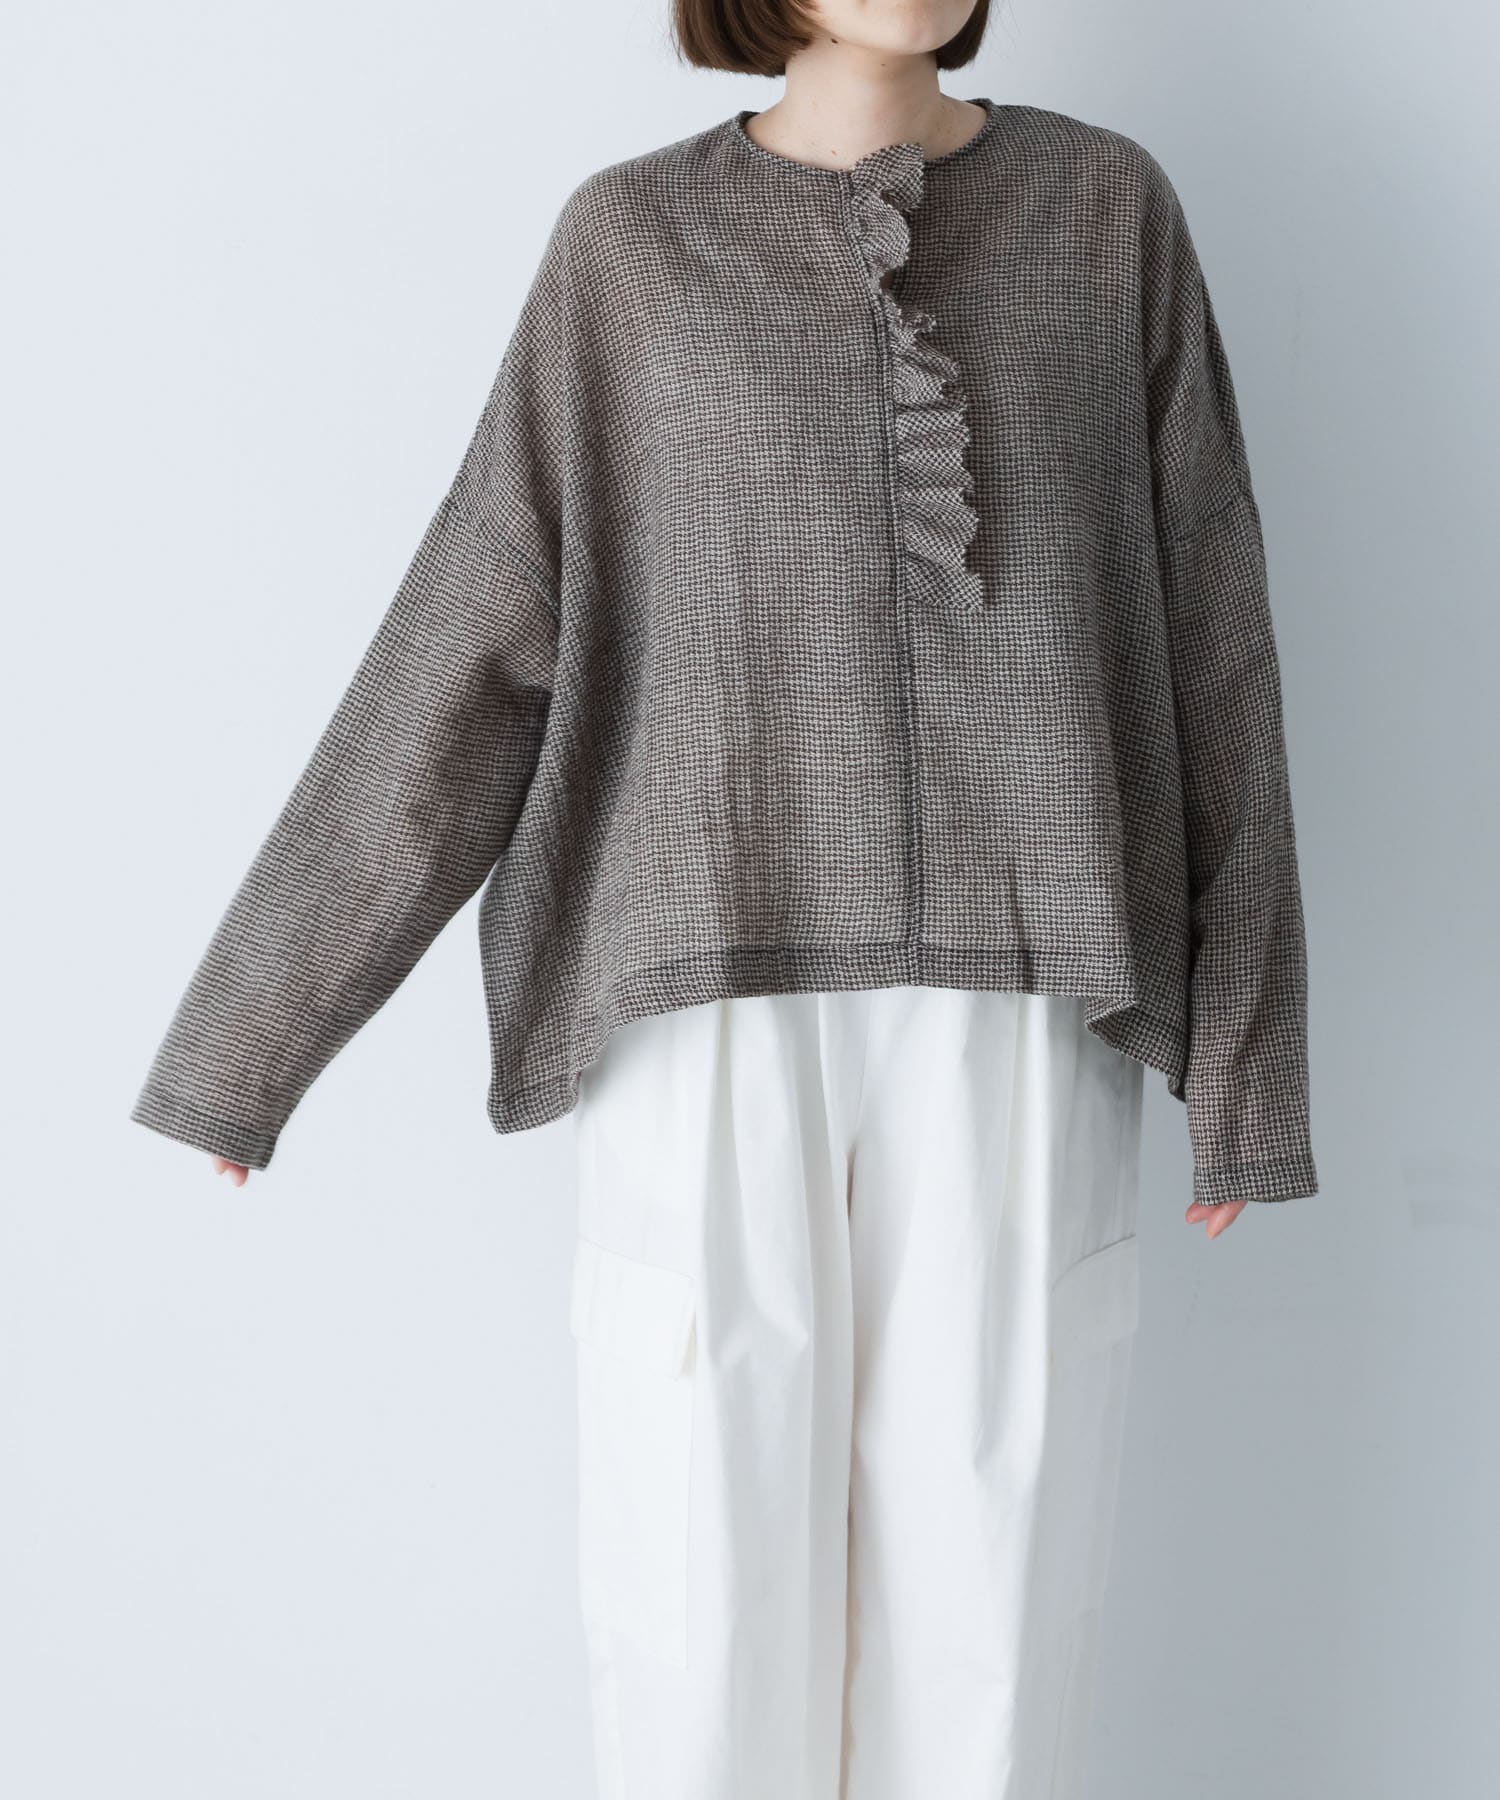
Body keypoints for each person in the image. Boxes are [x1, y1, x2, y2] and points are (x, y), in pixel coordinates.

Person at [130, 0, 1319, 1793]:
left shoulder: (1108, 214)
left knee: (990, 1618)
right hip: (696, 1013)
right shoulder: (627, 246)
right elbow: (474, 632)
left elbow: (1214, 630)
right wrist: (254, 1038)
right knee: (698, 1608)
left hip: (1022, 1003)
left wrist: (1251, 1064)